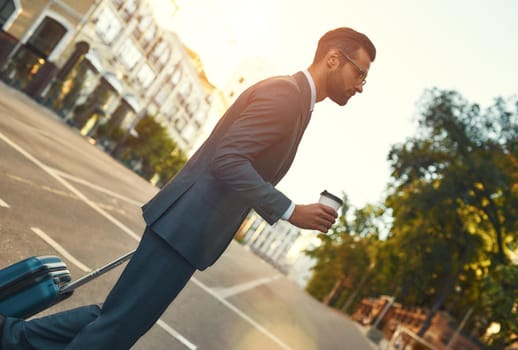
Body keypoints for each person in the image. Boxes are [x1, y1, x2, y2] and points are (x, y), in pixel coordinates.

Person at [0, 26, 376, 349]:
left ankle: (13, 337)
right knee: (116, 331)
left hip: (187, 228)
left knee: (114, 319)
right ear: (332, 59)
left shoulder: (298, 102)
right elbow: (228, 160)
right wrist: (292, 210)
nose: (360, 87)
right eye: (359, 73)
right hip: (185, 226)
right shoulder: (287, 96)